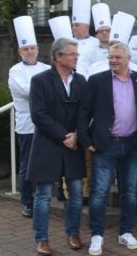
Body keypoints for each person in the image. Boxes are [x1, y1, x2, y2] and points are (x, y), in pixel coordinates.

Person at [78, 43, 137, 256]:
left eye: (118, 57)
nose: (113, 61)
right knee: (99, 193)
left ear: (128, 58)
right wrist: (85, 139)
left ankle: (125, 232)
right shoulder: (97, 80)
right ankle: (97, 235)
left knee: (129, 193)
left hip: (132, 145)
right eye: (110, 57)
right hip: (105, 144)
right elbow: (84, 112)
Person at [27, 38, 86, 256]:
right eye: (72, 54)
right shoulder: (40, 81)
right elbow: (38, 115)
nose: (76, 57)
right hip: (48, 144)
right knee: (43, 194)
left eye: (76, 54)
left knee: (77, 193)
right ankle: (41, 239)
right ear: (58, 57)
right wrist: (64, 136)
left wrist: (78, 135)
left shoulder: (80, 81)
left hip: (74, 144)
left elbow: (84, 112)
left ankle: (73, 233)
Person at [9, 16, 51, 219]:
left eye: (32, 48)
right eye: (26, 49)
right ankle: (26, 201)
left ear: (37, 49)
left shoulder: (46, 69)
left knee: (49, 161)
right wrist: (46, 92)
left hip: (47, 125)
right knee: (27, 164)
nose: (30, 51)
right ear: (20, 52)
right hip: (27, 125)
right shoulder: (14, 71)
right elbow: (27, 92)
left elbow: (54, 92)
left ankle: (49, 196)